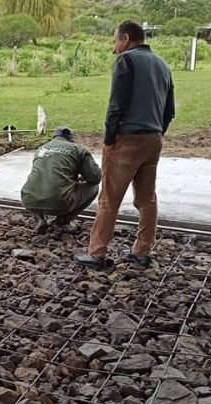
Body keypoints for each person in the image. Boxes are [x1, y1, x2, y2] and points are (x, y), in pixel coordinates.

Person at [75, 20, 175, 269]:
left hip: (127, 140)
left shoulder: (126, 61)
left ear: (126, 39)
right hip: (153, 140)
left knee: (108, 199)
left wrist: (109, 140)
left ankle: (96, 254)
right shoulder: (163, 65)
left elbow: (116, 105)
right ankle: (142, 251)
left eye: (115, 41)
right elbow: (169, 110)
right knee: (147, 199)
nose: (114, 48)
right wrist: (156, 133)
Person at [20, 126, 100, 234]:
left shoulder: (41, 149)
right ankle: (63, 222)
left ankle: (40, 219)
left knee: (38, 183)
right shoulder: (78, 149)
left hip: (29, 200)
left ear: (54, 137)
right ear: (71, 139)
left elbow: (43, 176)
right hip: (59, 202)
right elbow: (95, 177)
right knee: (94, 188)